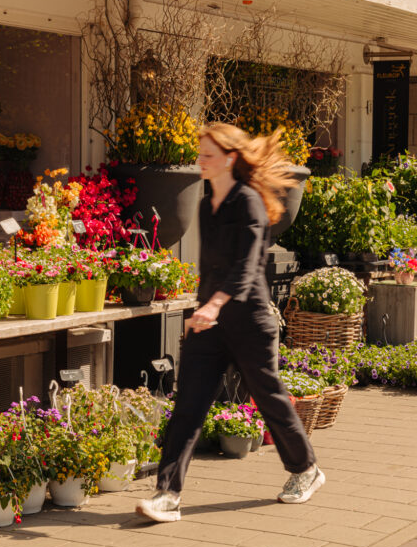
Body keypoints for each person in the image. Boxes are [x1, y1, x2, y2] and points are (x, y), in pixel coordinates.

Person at [136, 123, 324, 523]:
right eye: (199, 154)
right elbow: (211, 268)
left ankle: (306, 470)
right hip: (211, 320)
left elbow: (247, 264)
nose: (200, 161)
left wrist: (215, 305)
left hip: (250, 321)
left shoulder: (249, 202)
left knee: (268, 397)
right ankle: (167, 495)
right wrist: (199, 308)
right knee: (188, 404)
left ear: (230, 158)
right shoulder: (206, 205)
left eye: (207, 155)